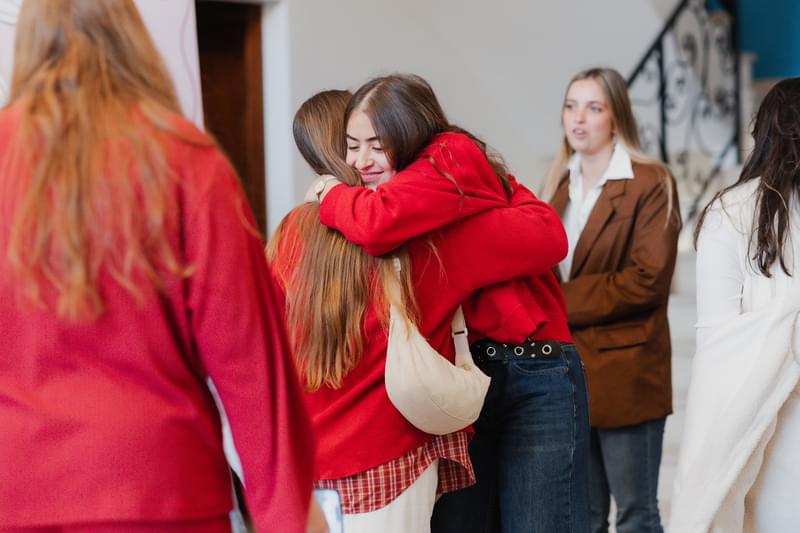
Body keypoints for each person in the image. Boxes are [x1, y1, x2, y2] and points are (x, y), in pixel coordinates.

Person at [0, 1, 320, 532]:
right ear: (131, 35)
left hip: (18, 491)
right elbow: (252, 368)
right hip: (163, 493)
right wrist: (287, 515)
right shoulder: (186, 162)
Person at [269, 88, 564, 533]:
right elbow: (545, 237)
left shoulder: (289, 234)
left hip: (310, 460)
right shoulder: (431, 242)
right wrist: (499, 180)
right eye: (355, 144)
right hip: (394, 455)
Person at [541, 67, 680, 533]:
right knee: (584, 518)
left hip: (628, 371)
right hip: (570, 374)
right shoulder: (556, 186)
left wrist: (555, 302)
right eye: (570, 105)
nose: (578, 118)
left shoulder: (650, 182)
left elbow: (647, 280)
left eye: (594, 107)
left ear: (616, 119)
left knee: (638, 515)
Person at [670, 77, 800, 533]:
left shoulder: (728, 210)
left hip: (768, 404)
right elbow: (719, 340)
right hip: (774, 410)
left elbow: (716, 340)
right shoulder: (737, 211)